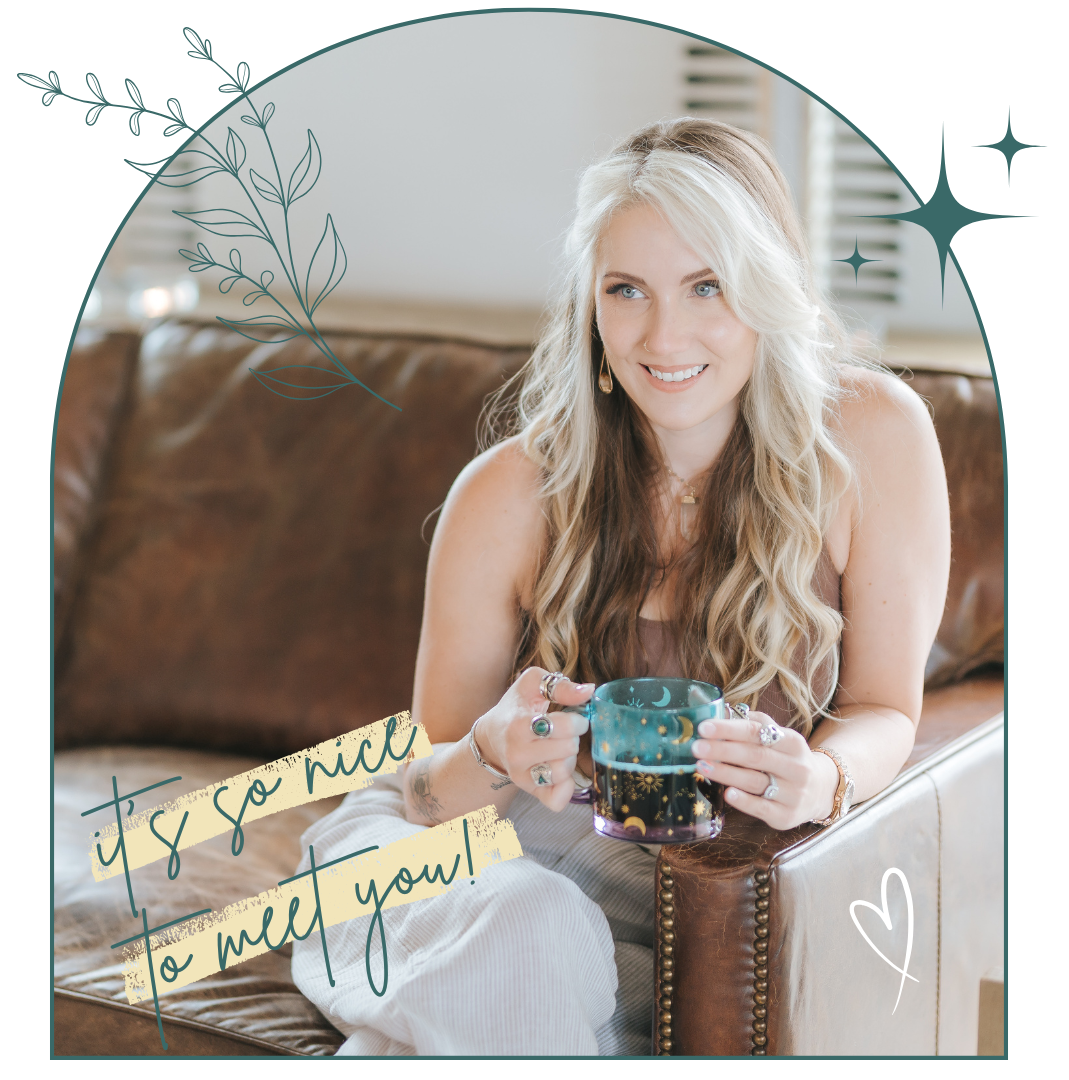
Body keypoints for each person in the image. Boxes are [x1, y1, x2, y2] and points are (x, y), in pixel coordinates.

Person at [291, 117, 950, 1055]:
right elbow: (425, 797)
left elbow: (886, 704)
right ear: (591, 310)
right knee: (526, 933)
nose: (663, 333)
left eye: (706, 285)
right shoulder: (508, 493)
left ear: (765, 291)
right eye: (627, 289)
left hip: (673, 899)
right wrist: (493, 752)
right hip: (450, 875)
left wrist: (825, 779)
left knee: (518, 986)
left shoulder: (871, 438)